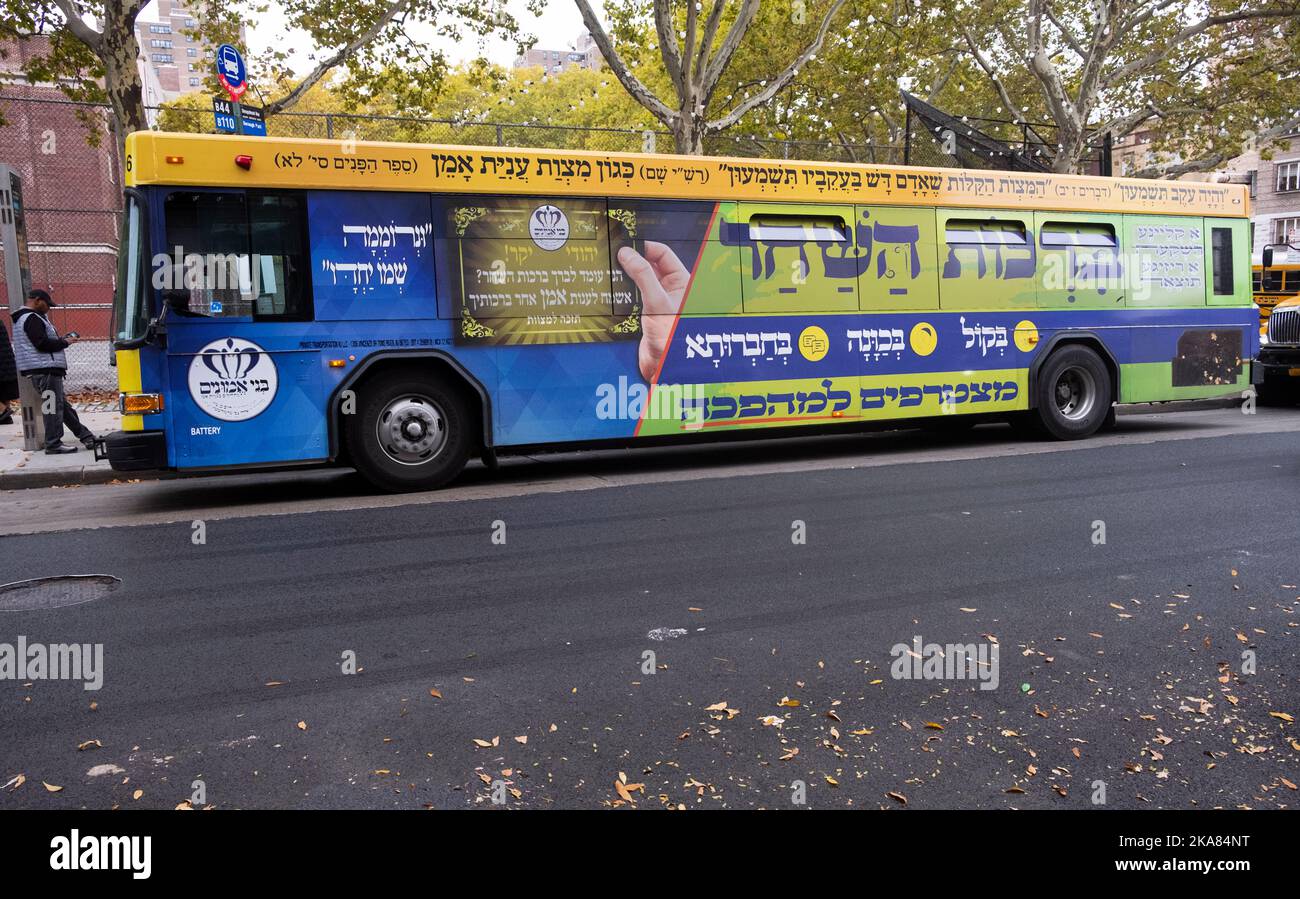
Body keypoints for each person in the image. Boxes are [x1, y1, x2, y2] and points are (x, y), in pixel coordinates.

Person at [11, 288, 96, 454]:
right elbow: (42, 344)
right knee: (52, 408)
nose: (48, 308)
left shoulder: (28, 318)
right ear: (36, 300)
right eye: (46, 304)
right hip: (45, 371)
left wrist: (60, 341)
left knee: (61, 407)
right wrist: (64, 342)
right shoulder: (32, 318)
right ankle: (53, 444)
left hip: (43, 370)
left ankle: (86, 436)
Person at [0, 314, 17, 426]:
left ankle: (3, 411)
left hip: (3, 362)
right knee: (3, 390)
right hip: (6, 362)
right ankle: (5, 417)